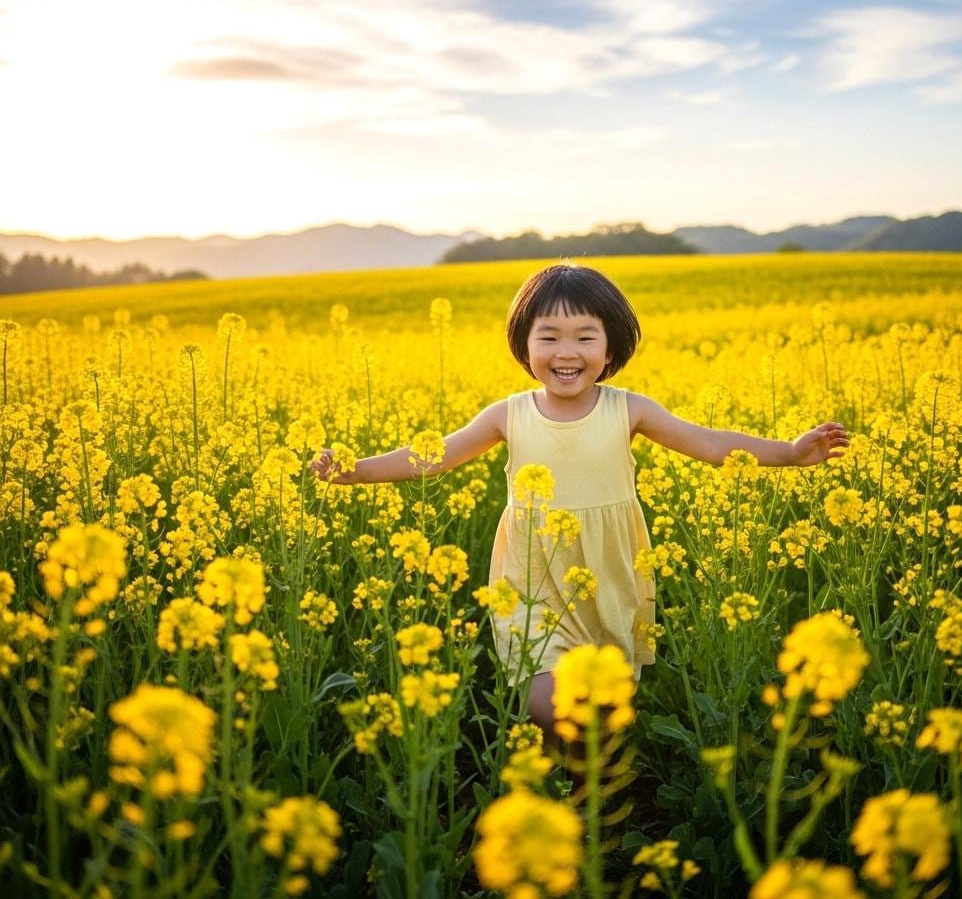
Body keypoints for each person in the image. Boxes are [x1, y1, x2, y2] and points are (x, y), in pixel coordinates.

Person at [311, 262, 848, 742]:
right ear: (524, 346)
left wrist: (790, 453)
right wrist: (355, 472)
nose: (566, 352)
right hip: (534, 574)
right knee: (546, 701)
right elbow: (434, 457)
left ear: (610, 350)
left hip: (607, 571)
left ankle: (579, 786)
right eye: (548, 337)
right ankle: (555, 767)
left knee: (601, 705)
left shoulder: (628, 409)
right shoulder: (508, 414)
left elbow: (708, 443)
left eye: (585, 337)